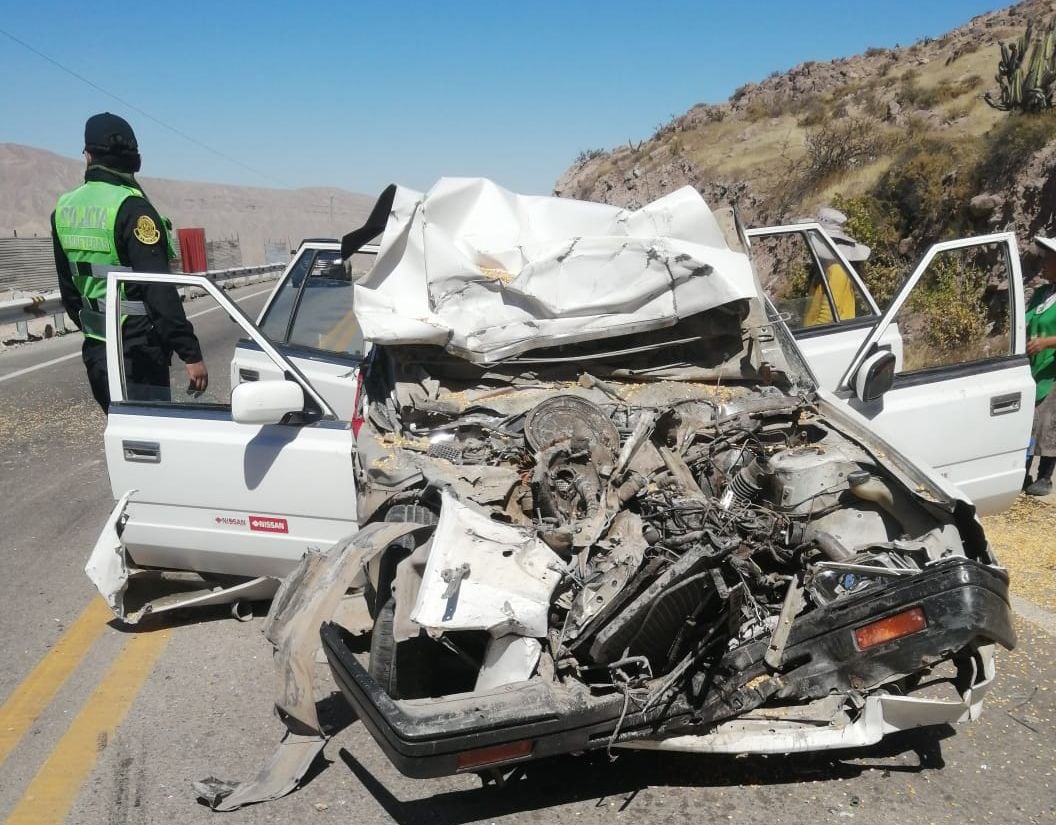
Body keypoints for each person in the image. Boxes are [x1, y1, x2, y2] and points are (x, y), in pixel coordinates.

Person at [51, 112, 208, 412]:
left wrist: (94, 326)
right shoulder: (132, 208)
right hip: (138, 351)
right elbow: (158, 289)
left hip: (98, 347)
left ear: (88, 155)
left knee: (123, 437)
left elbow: (69, 288)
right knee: (152, 441)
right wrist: (190, 353)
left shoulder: (64, 209)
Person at [1023, 236, 1056, 496]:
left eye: (1048, 259)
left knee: (1048, 424)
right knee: (1027, 423)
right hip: (1031, 369)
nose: (1043, 264)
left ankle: (1045, 476)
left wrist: (1046, 342)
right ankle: (1022, 472)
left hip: (1052, 372)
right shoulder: (1042, 294)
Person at [802, 207, 870, 327]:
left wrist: (811, 335)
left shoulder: (837, 270)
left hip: (826, 337)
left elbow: (828, 315)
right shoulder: (827, 267)